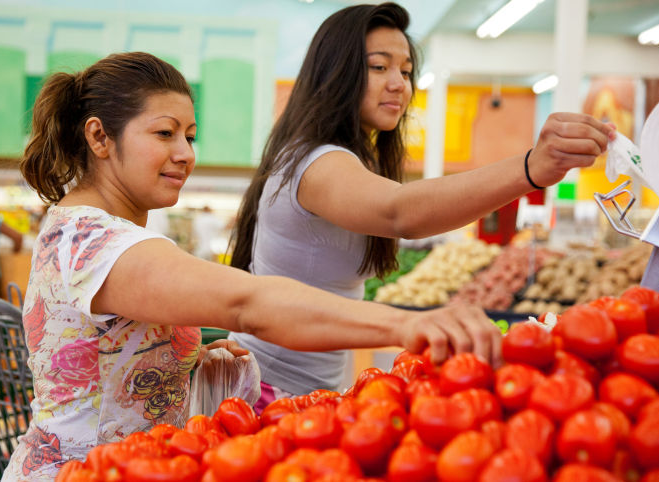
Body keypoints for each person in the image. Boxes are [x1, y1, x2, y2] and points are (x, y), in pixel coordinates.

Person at [2, 51, 503, 481]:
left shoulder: (87, 229)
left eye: (190, 136)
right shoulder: (93, 242)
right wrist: (406, 323)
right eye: (165, 133)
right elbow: (249, 301)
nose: (185, 154)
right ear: (99, 137)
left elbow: (106, 362)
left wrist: (188, 365)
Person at [227, 2, 616, 408]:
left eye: (406, 71)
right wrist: (530, 168)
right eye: (379, 67)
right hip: (267, 391)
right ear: (335, 73)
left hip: (300, 390)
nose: (399, 83)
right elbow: (400, 212)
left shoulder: (340, 158)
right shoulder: (317, 162)